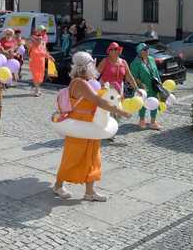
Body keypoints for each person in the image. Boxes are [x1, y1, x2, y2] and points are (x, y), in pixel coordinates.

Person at [53, 52, 130, 201]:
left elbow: (100, 97)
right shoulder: (79, 82)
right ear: (87, 66)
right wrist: (120, 111)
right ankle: (58, 186)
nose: (94, 67)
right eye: (92, 65)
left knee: (93, 157)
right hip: (80, 124)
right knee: (73, 157)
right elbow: (97, 101)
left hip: (91, 123)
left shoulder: (88, 81)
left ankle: (90, 192)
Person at [130, 43, 162, 130]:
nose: (147, 51)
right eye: (145, 49)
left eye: (147, 49)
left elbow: (156, 72)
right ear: (139, 52)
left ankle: (153, 121)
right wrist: (141, 85)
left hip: (154, 85)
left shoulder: (151, 59)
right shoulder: (135, 63)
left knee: (155, 101)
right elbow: (134, 77)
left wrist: (159, 83)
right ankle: (142, 120)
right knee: (143, 103)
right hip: (143, 87)